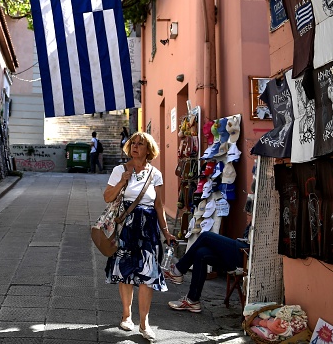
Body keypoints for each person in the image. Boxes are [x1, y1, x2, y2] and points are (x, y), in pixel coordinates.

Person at [103, 132, 176, 340]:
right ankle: (127, 316)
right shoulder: (119, 170)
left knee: (148, 274)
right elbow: (107, 197)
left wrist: (166, 232)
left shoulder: (155, 174)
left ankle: (144, 322)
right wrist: (121, 183)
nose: (135, 147)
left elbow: (159, 205)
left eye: (140, 144)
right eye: (132, 143)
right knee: (125, 271)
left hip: (149, 230)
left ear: (148, 149)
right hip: (126, 228)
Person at [165, 212, 253, 313]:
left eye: (249, 213)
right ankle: (192, 300)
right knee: (201, 253)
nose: (247, 214)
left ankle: (178, 270)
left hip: (244, 255)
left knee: (206, 236)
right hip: (240, 250)